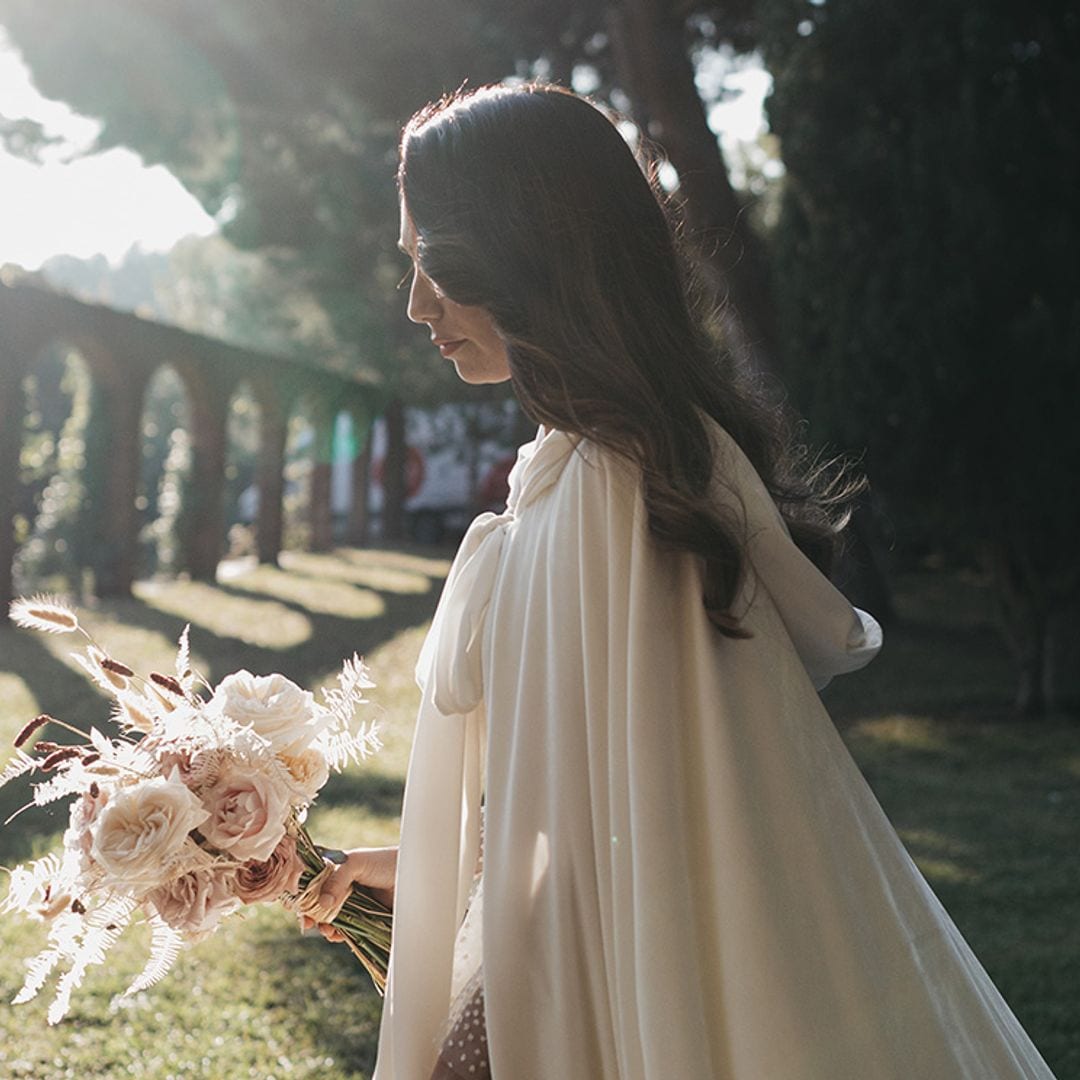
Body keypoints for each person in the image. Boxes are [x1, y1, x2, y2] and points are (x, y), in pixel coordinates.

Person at [304, 83, 1056, 1080]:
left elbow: (675, 838)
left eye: (435, 262)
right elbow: (582, 793)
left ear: (528, 245)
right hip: (564, 966)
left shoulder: (625, 488)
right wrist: (426, 875)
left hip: (618, 1002)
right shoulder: (571, 475)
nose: (417, 305)